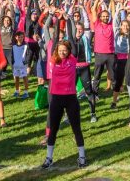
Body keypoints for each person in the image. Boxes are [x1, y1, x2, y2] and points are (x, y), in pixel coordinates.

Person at [40, 40, 87, 169]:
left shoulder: (72, 60)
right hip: (56, 99)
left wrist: (68, 20)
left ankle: (82, 157)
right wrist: (56, 20)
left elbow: (71, 39)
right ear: (56, 50)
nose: (62, 52)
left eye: (65, 50)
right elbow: (54, 39)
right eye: (60, 50)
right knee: (53, 130)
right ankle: (49, 158)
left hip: (71, 99)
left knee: (76, 128)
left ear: (69, 51)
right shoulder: (53, 60)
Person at [11, 31, 31, 98]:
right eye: (19, 37)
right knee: (16, 78)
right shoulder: (13, 46)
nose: (20, 38)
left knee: (24, 78)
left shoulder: (25, 46)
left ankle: (26, 92)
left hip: (23, 66)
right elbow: (12, 55)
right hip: (16, 65)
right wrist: (12, 62)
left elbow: (28, 54)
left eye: (22, 37)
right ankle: (17, 91)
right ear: (16, 37)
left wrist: (25, 62)